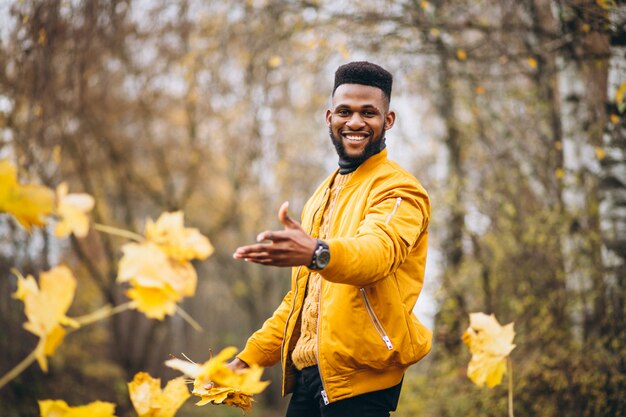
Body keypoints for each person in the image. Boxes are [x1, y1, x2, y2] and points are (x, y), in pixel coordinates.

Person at [230, 61, 432, 417]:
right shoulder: (321, 195)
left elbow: (376, 254)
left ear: (388, 121)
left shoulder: (399, 189)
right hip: (310, 377)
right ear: (329, 118)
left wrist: (318, 252)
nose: (355, 122)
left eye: (368, 112)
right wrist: (248, 360)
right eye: (345, 111)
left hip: (361, 385)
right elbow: (302, 300)